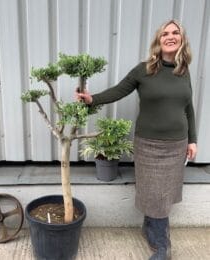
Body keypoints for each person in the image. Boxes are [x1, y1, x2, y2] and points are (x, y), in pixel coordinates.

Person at [76, 20, 197, 260]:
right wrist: (92, 99)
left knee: (164, 194)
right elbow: (119, 90)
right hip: (149, 145)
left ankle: (156, 237)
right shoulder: (144, 70)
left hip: (176, 145)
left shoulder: (183, 71)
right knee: (153, 193)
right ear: (158, 40)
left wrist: (192, 140)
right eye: (165, 33)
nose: (170, 36)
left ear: (182, 39)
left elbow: (188, 107)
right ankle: (162, 244)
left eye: (175, 33)